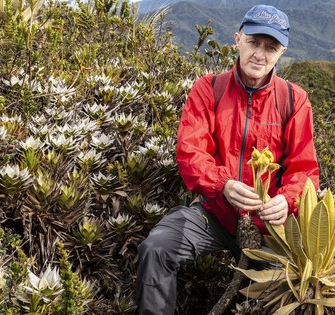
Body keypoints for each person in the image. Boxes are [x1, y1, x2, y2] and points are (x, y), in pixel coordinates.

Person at [135, 4, 319, 314]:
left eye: (270, 47)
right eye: (253, 43)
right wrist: (222, 184)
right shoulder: (208, 90)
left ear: (282, 52)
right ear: (237, 39)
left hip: (269, 230)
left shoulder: (293, 100)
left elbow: (304, 168)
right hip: (215, 215)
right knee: (156, 248)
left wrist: (288, 201)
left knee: (295, 291)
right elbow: (190, 152)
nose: (259, 54)